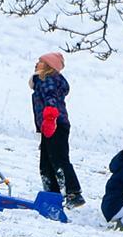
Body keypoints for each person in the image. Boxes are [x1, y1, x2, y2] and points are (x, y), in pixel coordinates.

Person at [30, 51, 84, 208]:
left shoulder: (47, 79)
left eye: (40, 61)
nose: (36, 63)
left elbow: (50, 97)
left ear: (48, 66)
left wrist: (49, 118)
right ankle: (52, 196)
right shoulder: (45, 80)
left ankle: (73, 193)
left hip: (54, 124)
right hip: (51, 125)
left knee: (58, 159)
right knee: (46, 163)